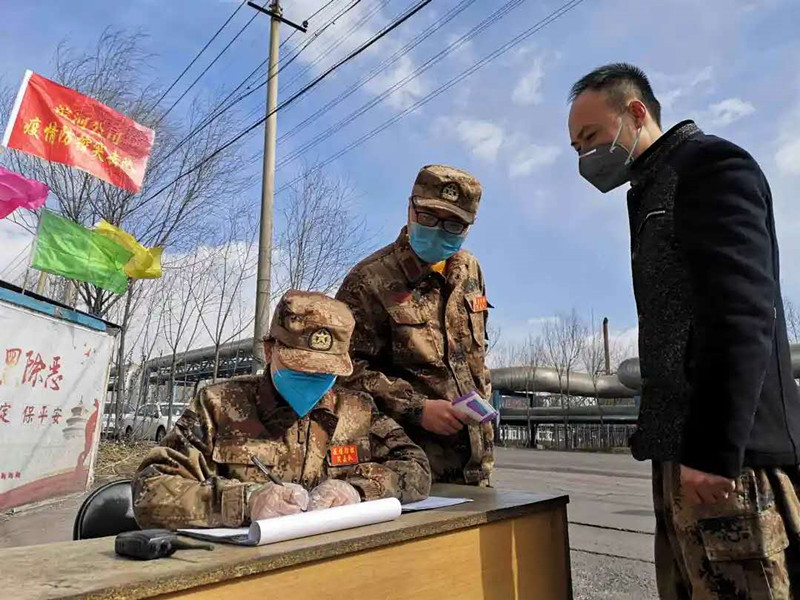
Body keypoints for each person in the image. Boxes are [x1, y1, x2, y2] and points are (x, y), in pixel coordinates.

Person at [567, 62, 800, 598]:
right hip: (681, 451)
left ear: (636, 113)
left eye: (591, 137)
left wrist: (715, 449)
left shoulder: (709, 166)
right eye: (576, 148)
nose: (585, 157)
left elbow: (740, 311)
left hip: (727, 461)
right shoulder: (651, 188)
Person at [132, 290, 431, 529]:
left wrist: (358, 490)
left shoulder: (357, 411)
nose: (312, 379)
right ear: (269, 351)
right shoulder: (218, 406)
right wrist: (246, 502)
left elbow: (416, 468)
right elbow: (149, 490)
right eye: (300, 368)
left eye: (325, 372)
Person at [336, 165, 493, 486]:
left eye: (453, 225)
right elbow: (342, 371)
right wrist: (416, 408)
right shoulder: (369, 280)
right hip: (408, 467)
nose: (438, 230)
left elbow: (476, 356)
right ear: (410, 208)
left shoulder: (470, 270)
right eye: (428, 217)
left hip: (474, 464)